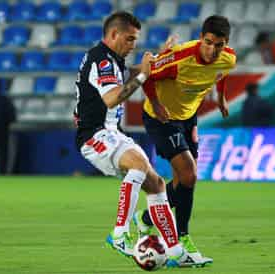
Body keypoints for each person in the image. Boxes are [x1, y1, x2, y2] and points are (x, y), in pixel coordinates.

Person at [73, 11, 187, 267]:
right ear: (114, 34)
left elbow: (132, 71)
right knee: (137, 164)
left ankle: (176, 251)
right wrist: (145, 76)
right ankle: (120, 234)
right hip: (95, 136)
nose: (133, 45)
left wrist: (157, 60)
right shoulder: (102, 60)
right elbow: (112, 97)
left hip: (112, 134)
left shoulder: (110, 59)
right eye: (130, 39)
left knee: (157, 183)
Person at [132, 15, 236, 267]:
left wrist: (220, 98)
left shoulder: (228, 58)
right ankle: (183, 240)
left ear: (226, 43)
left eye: (219, 45)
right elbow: (148, 76)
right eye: (208, 43)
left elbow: (220, 74)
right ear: (201, 38)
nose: (212, 50)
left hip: (188, 119)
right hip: (161, 118)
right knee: (189, 175)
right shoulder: (180, 58)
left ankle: (147, 218)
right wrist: (156, 104)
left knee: (183, 180)